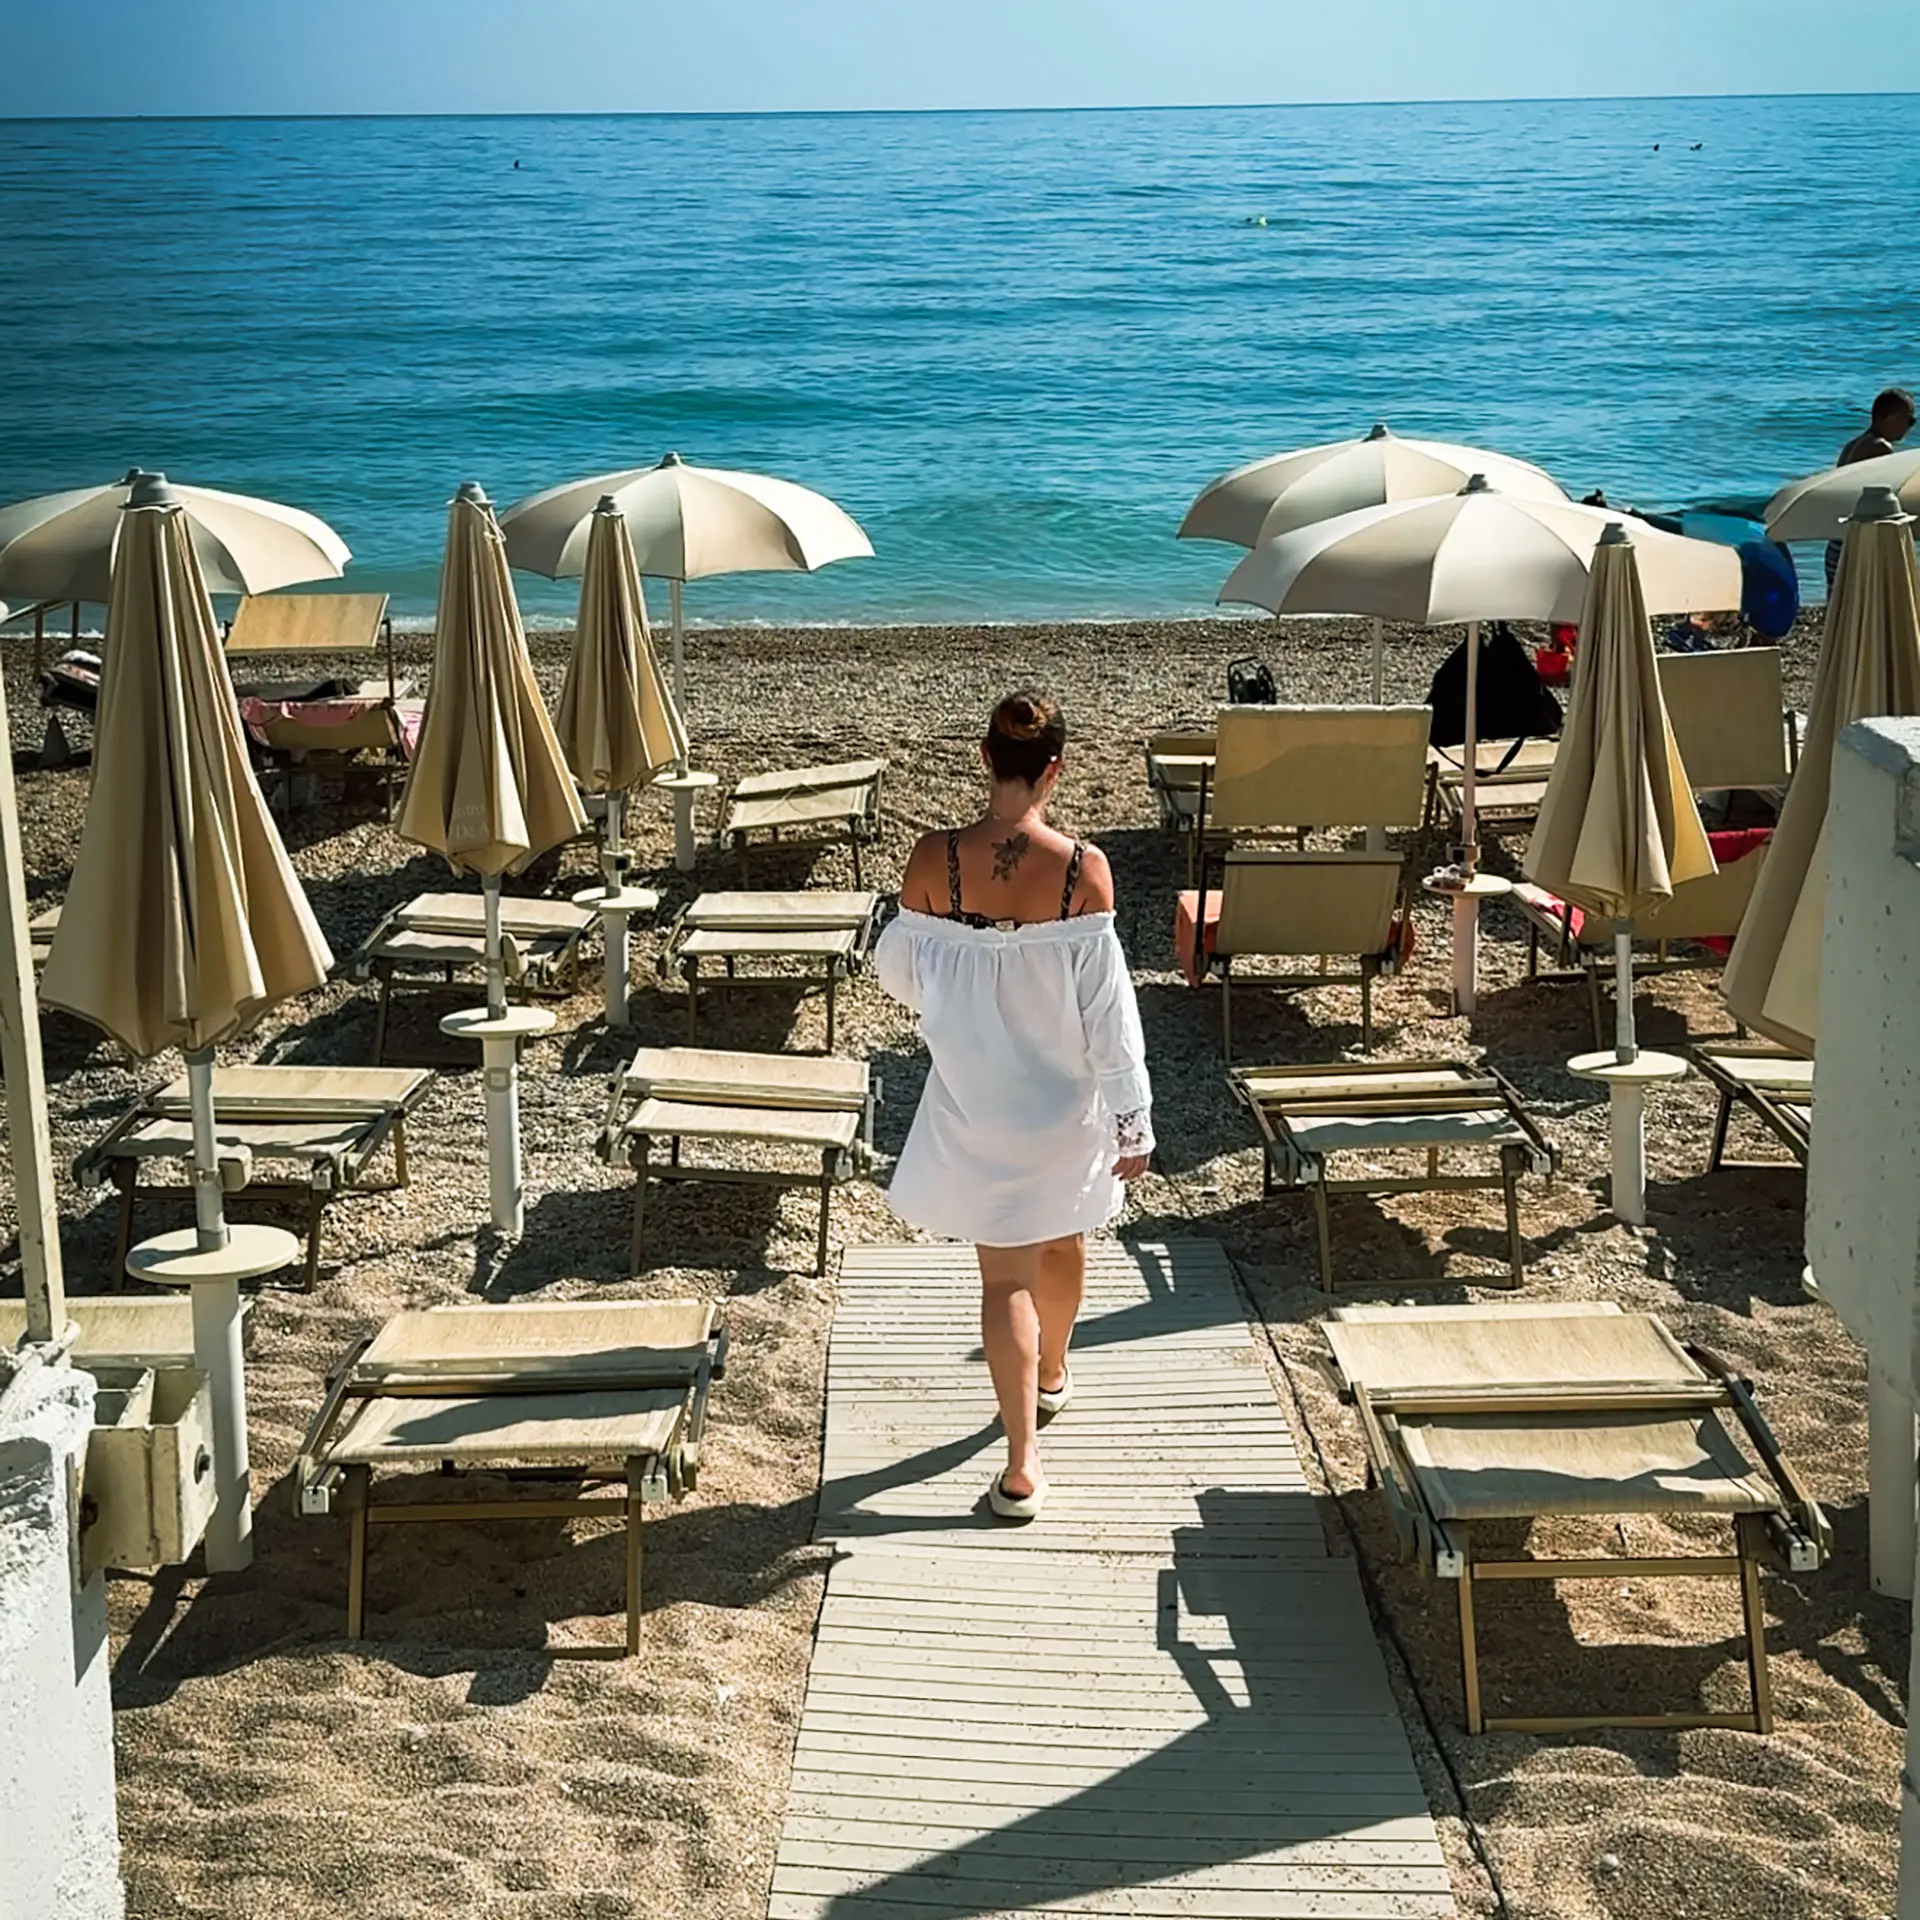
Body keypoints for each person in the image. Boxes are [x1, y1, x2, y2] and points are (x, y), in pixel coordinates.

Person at [874, 692, 1153, 1522]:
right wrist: (1133, 1115)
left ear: (985, 760)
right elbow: (1111, 1013)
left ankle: (1022, 1462)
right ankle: (1053, 1370)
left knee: (1004, 1280)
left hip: (976, 1103)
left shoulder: (933, 860)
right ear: (1054, 770)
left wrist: (959, 996)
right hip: (1065, 1105)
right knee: (1064, 1233)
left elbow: (899, 971)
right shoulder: (1083, 870)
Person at [1826, 388, 1916, 590]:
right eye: (1909, 420)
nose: (1909, 428)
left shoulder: (1852, 445)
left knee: (1844, 612)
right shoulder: (1881, 448)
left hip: (1836, 542)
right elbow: (1886, 502)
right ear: (1891, 417)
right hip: (1855, 548)